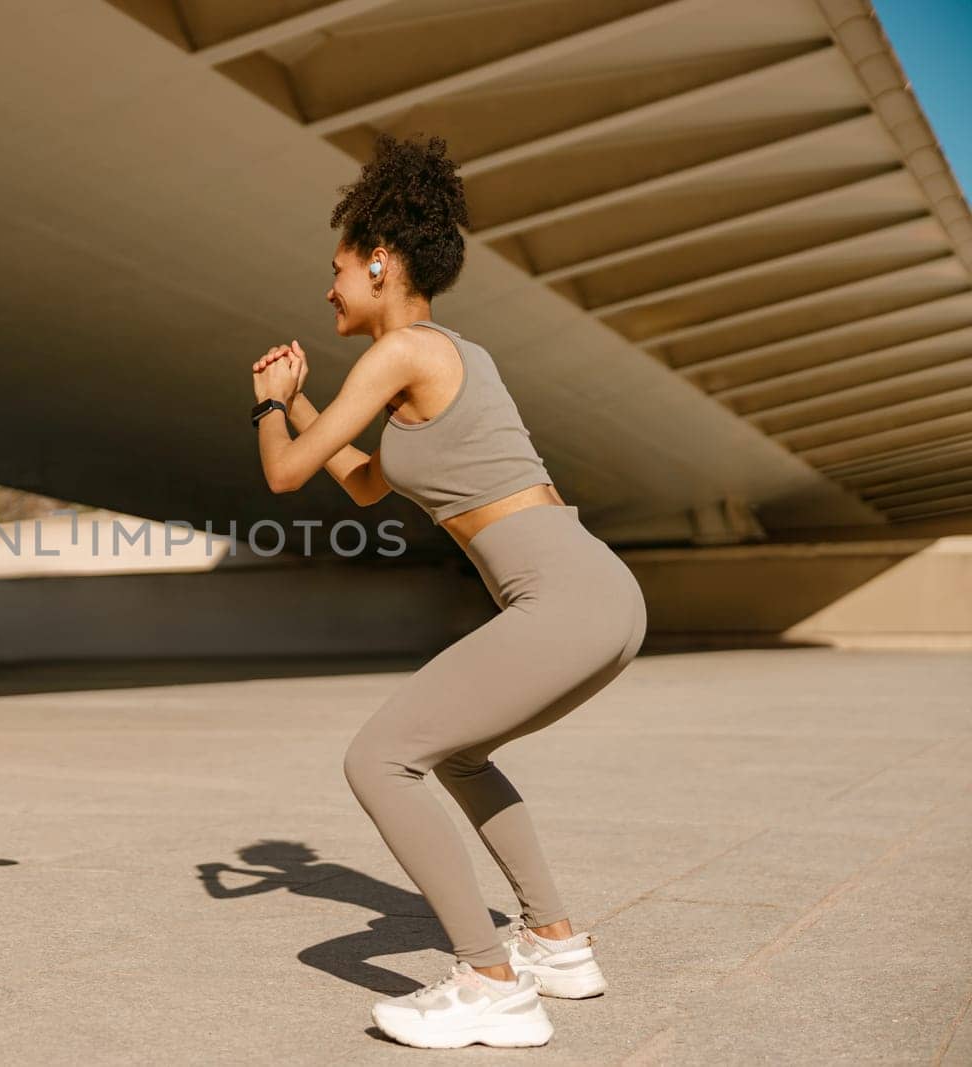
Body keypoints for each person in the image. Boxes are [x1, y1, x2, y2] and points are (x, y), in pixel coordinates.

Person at [249, 136, 646, 1049]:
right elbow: (360, 481)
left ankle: (490, 980)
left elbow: (283, 477)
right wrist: (309, 404)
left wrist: (270, 402)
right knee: (457, 755)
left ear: (380, 263)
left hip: (563, 594)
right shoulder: (442, 357)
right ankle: (554, 943)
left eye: (339, 269)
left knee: (378, 759)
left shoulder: (402, 354)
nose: (329, 289)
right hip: (594, 591)